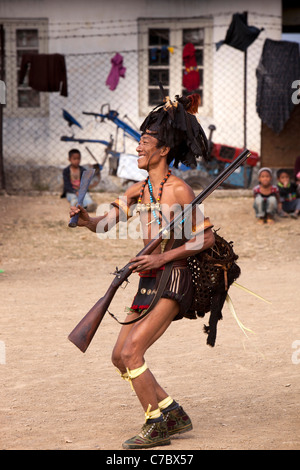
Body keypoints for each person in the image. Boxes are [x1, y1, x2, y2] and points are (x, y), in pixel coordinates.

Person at [69, 93, 215, 449]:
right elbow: (106, 223)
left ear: (163, 151)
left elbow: (206, 238)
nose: (138, 148)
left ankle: (156, 423)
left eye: (145, 143)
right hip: (148, 279)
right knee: (120, 356)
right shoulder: (139, 189)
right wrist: (88, 220)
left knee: (133, 353)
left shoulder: (178, 189)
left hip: (174, 277)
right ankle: (171, 411)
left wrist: (161, 259)